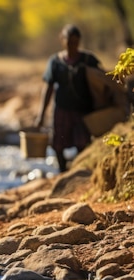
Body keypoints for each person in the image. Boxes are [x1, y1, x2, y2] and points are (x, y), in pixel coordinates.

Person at [35, 24, 102, 172]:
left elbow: (101, 81)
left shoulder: (88, 60)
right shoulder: (55, 62)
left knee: (82, 143)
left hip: (83, 110)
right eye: (69, 42)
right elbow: (48, 87)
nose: (72, 45)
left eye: (75, 42)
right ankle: (63, 171)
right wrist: (41, 115)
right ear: (62, 41)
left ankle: (80, 171)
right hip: (62, 109)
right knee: (58, 144)